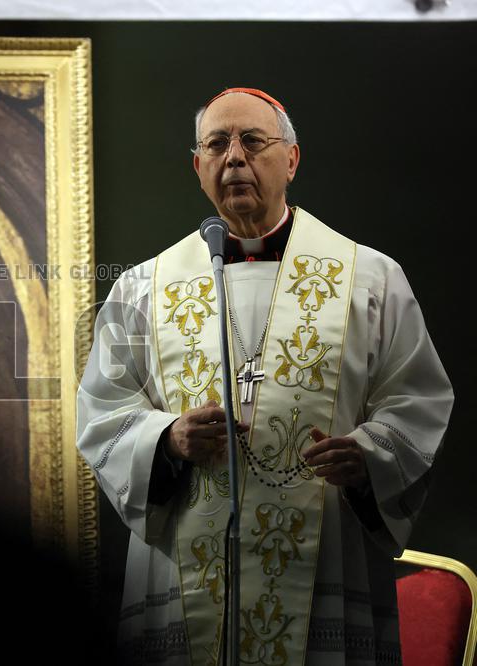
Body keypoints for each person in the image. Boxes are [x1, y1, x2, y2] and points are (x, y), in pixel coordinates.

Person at [76, 87, 453, 665]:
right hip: (185, 568)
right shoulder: (142, 289)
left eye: (253, 141)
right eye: (216, 144)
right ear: (197, 164)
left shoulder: (370, 279)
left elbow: (416, 398)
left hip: (325, 546)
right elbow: (103, 410)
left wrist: (370, 454)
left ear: (293, 158)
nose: (234, 158)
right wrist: (166, 438)